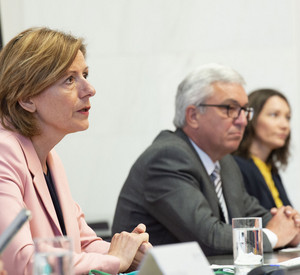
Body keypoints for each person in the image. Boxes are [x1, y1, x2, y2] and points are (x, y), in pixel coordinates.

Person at [0, 27, 151, 275]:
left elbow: (83, 243)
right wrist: (115, 261)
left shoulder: (50, 157)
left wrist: (132, 253)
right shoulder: (4, 153)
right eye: (70, 80)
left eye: (85, 74)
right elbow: (21, 263)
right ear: (27, 99)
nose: (89, 89)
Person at [112, 63, 300, 256]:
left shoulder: (225, 162)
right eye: (230, 108)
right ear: (193, 115)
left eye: (244, 110)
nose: (242, 120)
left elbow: (255, 215)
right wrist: (274, 236)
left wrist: (291, 225)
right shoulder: (167, 158)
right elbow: (208, 238)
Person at [233, 89, 292, 210]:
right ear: (250, 118)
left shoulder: (272, 172)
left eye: (288, 117)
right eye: (274, 115)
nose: (284, 125)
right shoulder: (235, 167)